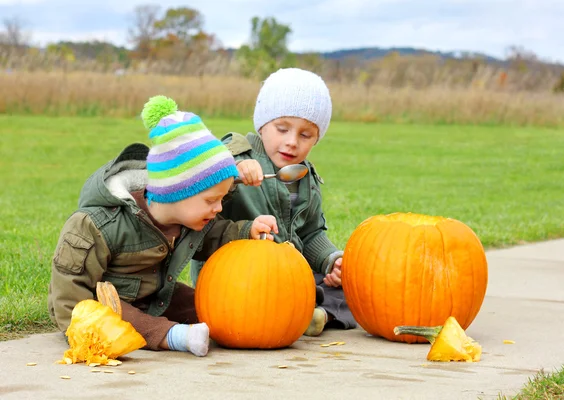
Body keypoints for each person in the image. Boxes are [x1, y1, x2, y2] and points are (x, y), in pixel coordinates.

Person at [47, 95, 278, 357]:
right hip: (105, 302)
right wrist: (84, 328)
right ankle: (171, 336)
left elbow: (216, 235)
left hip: (157, 296)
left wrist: (249, 230)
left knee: (208, 305)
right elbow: (69, 290)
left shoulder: (188, 219)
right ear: (176, 192)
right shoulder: (99, 225)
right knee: (120, 314)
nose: (219, 208)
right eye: (212, 200)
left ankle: (246, 324)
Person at [190, 68, 357, 336]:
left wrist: (330, 260)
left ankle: (319, 315)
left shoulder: (305, 178)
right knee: (269, 298)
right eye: (282, 129)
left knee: (358, 289)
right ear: (262, 125)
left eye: (305, 135)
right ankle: (305, 312)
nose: (292, 142)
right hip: (235, 280)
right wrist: (237, 169)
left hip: (287, 277)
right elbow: (209, 167)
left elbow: (311, 233)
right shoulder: (236, 151)